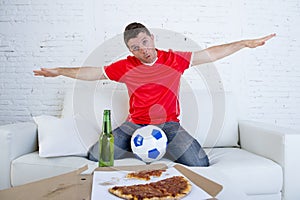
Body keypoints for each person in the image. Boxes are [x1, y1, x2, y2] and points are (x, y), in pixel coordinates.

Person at [34, 22, 275, 166]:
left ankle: (162, 145)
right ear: (130, 50)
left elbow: (210, 54)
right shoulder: (125, 66)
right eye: (135, 47)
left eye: (145, 42)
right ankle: (139, 147)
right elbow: (92, 73)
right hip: (134, 125)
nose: (143, 50)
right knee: (96, 156)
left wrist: (243, 43)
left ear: (153, 38)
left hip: (169, 125)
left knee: (200, 163)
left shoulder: (174, 59)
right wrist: (60, 71)